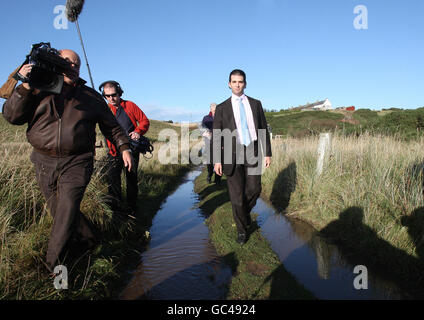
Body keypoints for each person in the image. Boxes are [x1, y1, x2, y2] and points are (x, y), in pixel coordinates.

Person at [2, 49, 134, 272]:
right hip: (43, 160)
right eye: (67, 62)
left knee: (66, 210)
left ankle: (54, 270)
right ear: (55, 63)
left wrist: (124, 147)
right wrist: (24, 85)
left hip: (78, 161)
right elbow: (12, 117)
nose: (73, 67)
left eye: (76, 64)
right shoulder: (38, 86)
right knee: (60, 210)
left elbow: (112, 127)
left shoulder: (91, 97)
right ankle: (91, 239)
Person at [213, 69, 272, 244]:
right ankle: (241, 230)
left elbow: (263, 129)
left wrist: (267, 152)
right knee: (236, 196)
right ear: (229, 84)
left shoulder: (255, 104)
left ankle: (243, 214)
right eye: (234, 81)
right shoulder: (222, 108)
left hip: (252, 149)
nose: (237, 84)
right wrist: (217, 159)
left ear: (245, 83)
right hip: (231, 153)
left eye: (240, 81)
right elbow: (217, 135)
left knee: (255, 189)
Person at [99, 81, 150, 214]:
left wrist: (138, 131)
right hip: (113, 152)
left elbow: (144, 120)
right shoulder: (104, 109)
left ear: (119, 93)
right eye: (107, 96)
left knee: (131, 180)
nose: (111, 99)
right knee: (113, 180)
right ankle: (116, 210)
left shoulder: (130, 106)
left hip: (131, 150)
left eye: (114, 95)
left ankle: (132, 208)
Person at [201, 103, 221, 184]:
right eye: (214, 110)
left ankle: (217, 180)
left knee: (219, 160)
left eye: (217, 110)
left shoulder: (220, 117)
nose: (216, 112)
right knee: (209, 162)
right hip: (209, 141)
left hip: (219, 142)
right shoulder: (206, 118)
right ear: (211, 110)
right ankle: (209, 174)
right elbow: (205, 127)